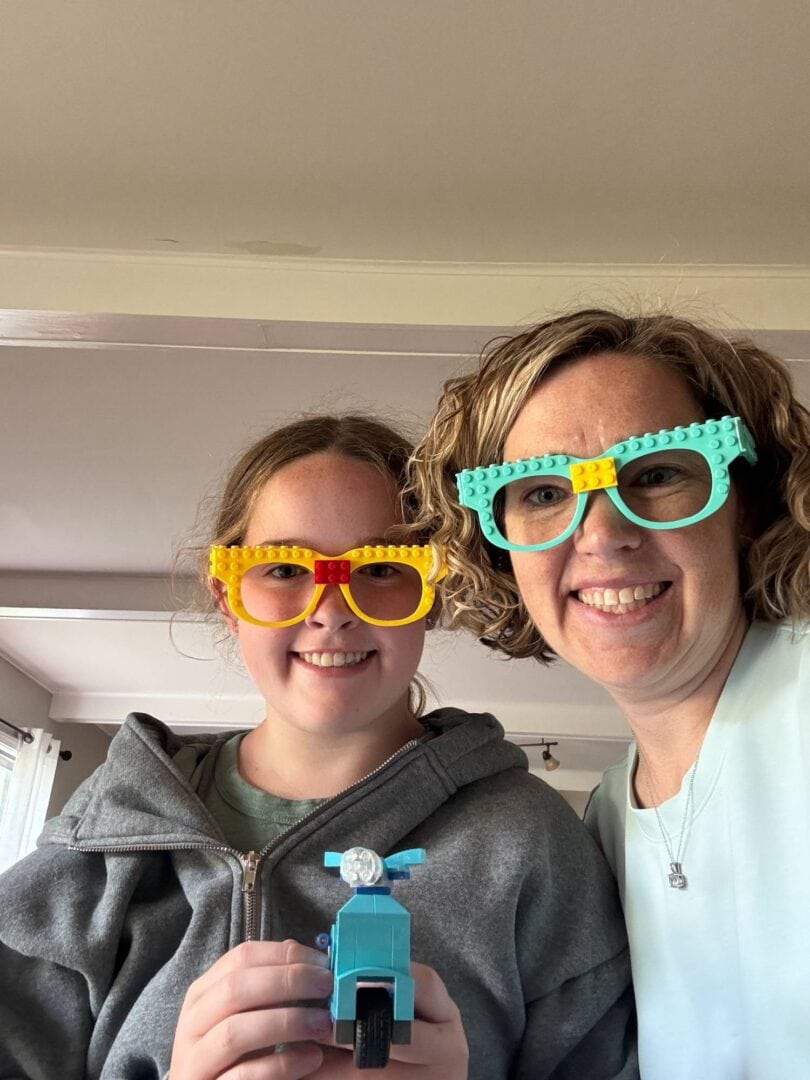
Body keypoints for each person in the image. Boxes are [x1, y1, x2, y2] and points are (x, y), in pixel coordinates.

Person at [0, 414, 637, 1080]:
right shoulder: (100, 850)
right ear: (228, 596)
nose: (332, 607)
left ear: (429, 595)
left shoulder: (532, 844)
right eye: (282, 568)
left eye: (382, 566)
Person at [411, 309, 810, 1080]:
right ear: (499, 547)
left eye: (657, 473)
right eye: (541, 493)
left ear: (745, 503)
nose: (602, 534)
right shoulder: (603, 827)